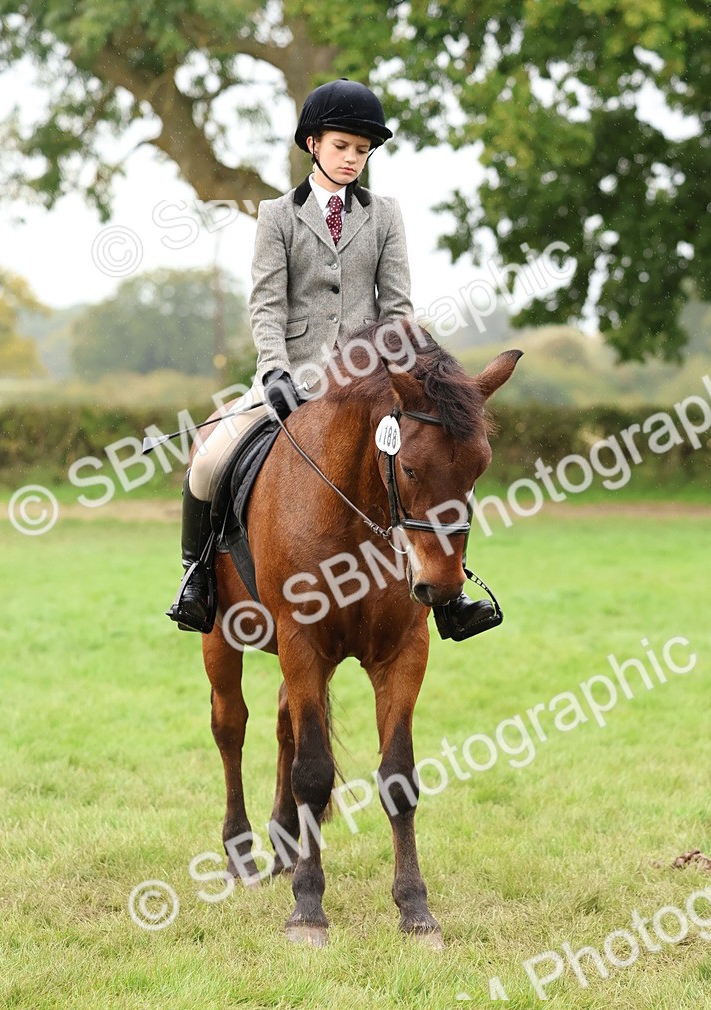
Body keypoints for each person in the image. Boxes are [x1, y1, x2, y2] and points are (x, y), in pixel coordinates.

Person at [166, 78, 499, 641]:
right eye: (342, 146)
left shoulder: (385, 214)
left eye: (362, 150)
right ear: (313, 144)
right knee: (208, 462)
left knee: (435, 462)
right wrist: (273, 370)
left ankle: (451, 590)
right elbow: (267, 302)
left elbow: (397, 308)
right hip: (289, 377)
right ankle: (197, 579)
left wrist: (402, 374)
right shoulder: (277, 215)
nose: (352, 159)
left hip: (370, 385)